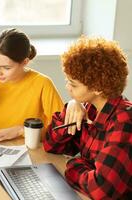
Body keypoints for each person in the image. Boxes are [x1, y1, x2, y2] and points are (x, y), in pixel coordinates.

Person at [44, 37, 132, 199]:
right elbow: (51, 145)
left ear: (97, 88)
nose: (67, 87)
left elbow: (101, 189)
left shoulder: (124, 120)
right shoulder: (91, 108)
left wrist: (73, 164)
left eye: (73, 84)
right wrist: (71, 105)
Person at [0, 28, 63, 142]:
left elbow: (60, 131)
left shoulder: (42, 84)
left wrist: (22, 130)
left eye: (6, 68)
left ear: (25, 62)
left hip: (29, 151)